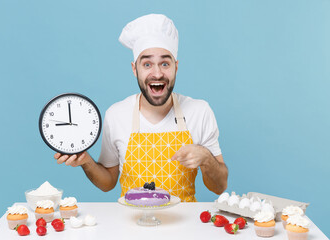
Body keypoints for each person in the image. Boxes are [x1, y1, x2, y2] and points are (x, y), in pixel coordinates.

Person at [55, 14, 228, 201]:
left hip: (184, 226)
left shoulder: (199, 111)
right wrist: (86, 162)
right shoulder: (116, 114)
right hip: (130, 226)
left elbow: (219, 187)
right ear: (134, 69)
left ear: (176, 67)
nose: (157, 73)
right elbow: (108, 183)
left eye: (165, 63)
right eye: (147, 64)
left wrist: (207, 158)